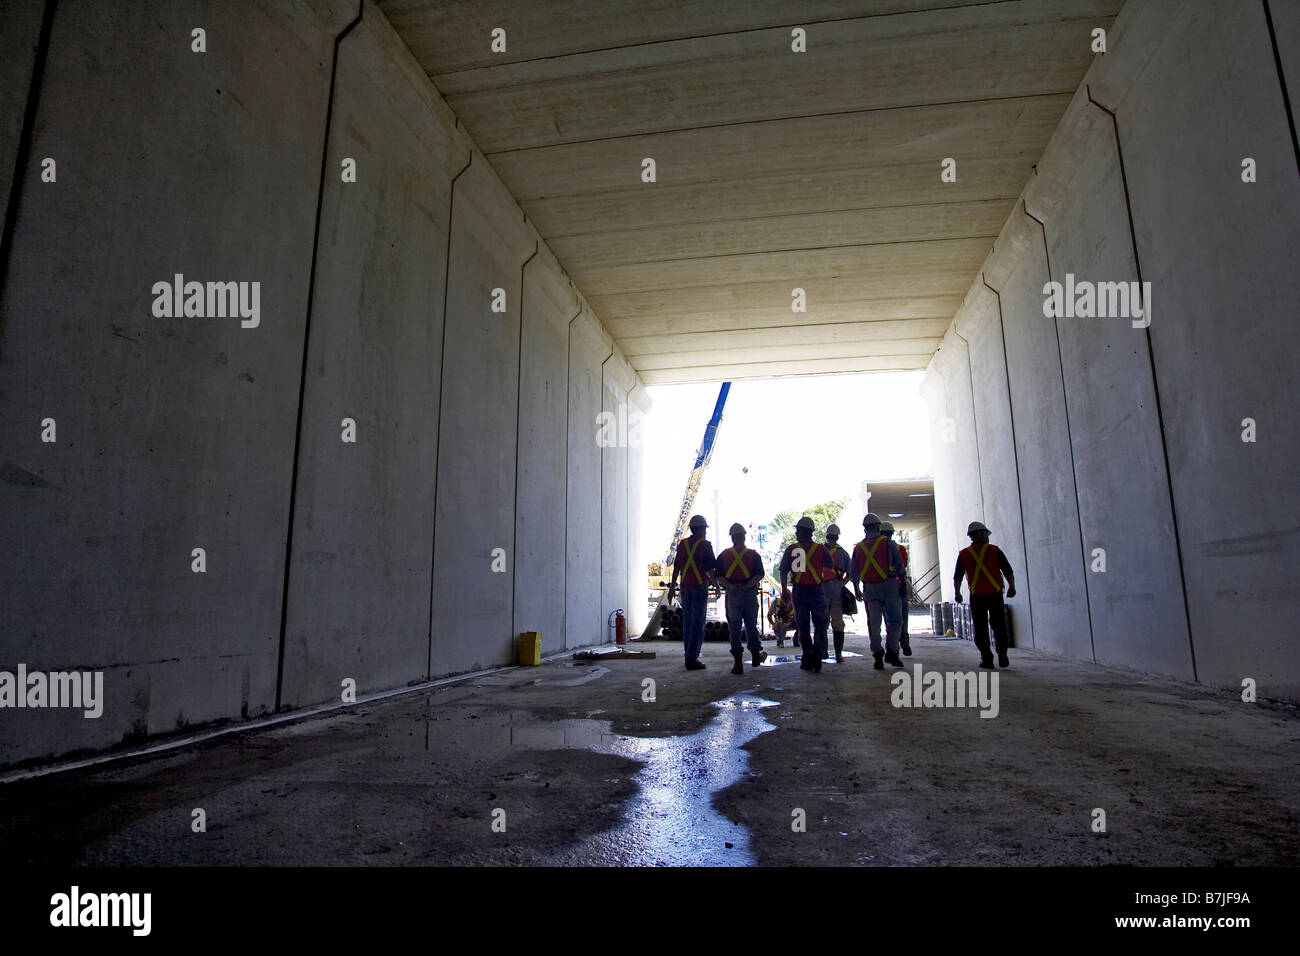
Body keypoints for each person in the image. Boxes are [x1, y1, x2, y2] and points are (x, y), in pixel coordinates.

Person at [953, 520, 1016, 669]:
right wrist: (1011, 586)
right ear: (981, 534)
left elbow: (958, 577)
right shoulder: (995, 550)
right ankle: (1002, 654)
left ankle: (987, 658)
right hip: (995, 594)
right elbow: (1008, 570)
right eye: (986, 534)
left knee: (980, 628)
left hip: (977, 596)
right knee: (999, 625)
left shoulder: (964, 554)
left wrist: (957, 593)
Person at [779, 516, 834, 672]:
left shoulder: (791, 549)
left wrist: (784, 590)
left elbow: (783, 571)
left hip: (800, 592)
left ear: (804, 531)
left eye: (798, 530)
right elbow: (829, 565)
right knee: (820, 626)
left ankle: (807, 657)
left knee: (803, 627)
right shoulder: (820, 549)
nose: (796, 532)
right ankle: (817, 654)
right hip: (817, 591)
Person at [852, 512, 905, 669]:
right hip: (889, 585)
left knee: (874, 624)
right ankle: (892, 651)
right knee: (895, 620)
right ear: (878, 527)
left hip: (869, 588)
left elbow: (854, 572)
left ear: (865, 529)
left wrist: (856, 589)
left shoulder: (858, 547)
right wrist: (902, 584)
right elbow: (900, 566)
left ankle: (877, 656)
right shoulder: (888, 543)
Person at [715, 523, 768, 673]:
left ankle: (738, 663)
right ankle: (756, 655)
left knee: (734, 628)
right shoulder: (753, 555)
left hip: (732, 595)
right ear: (744, 537)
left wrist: (731, 587)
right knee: (751, 625)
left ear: (732, 538)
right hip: (749, 593)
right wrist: (747, 585)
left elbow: (718, 575)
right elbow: (759, 574)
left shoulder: (724, 556)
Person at [668, 515, 715, 670]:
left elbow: (677, 567)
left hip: (685, 588)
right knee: (698, 623)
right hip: (699, 587)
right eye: (704, 529)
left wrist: (671, 589)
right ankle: (692, 658)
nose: (706, 532)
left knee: (688, 623)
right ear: (700, 529)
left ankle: (688, 655)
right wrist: (717, 585)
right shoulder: (705, 545)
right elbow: (710, 570)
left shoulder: (683, 545)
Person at [880, 521, 911, 656]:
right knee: (900, 617)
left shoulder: (877, 550)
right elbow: (902, 567)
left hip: (889, 587)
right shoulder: (900, 549)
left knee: (892, 619)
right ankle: (902, 644)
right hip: (897, 586)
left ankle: (897, 646)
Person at [822, 523, 851, 663]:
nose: (831, 538)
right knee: (826, 622)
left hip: (828, 592)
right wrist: (842, 583)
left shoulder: (820, 551)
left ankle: (835, 653)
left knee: (832, 622)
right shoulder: (842, 553)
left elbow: (850, 573)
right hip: (828, 591)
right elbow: (850, 573)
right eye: (831, 536)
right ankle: (829, 653)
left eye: (832, 536)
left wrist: (841, 584)